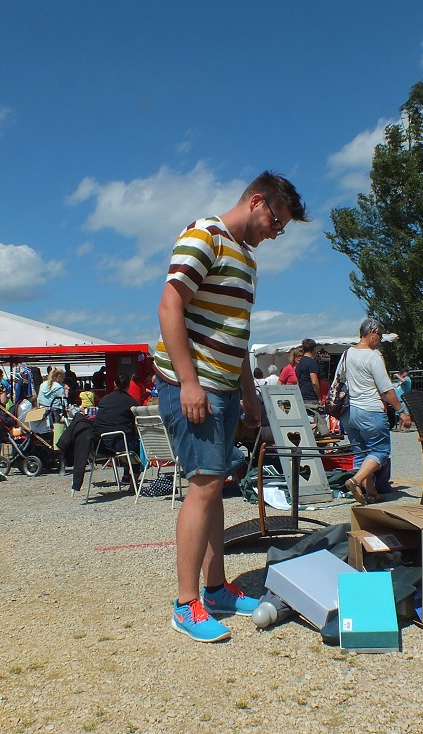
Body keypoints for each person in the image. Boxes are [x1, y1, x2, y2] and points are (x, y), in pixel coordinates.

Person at [155, 170, 308, 643]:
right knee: (201, 488)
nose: (275, 233)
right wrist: (188, 382)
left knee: (215, 487)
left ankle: (216, 588)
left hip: (222, 388)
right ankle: (186, 605)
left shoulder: (246, 259)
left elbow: (236, 334)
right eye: (276, 222)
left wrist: (248, 392)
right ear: (257, 202)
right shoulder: (206, 235)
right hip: (194, 387)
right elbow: (168, 306)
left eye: (281, 228)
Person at [336, 318, 408, 505]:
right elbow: (386, 389)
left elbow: (338, 380)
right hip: (369, 410)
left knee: (361, 452)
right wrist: (401, 411)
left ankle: (370, 492)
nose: (380, 341)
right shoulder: (373, 356)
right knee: (380, 451)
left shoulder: (347, 354)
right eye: (380, 337)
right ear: (373, 333)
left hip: (348, 412)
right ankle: (355, 481)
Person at [94, 373, 141, 463]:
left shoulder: (104, 400)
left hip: (101, 443)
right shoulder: (131, 402)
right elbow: (135, 425)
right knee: (138, 444)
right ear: (128, 385)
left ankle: (127, 473)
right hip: (122, 443)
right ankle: (130, 474)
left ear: (115, 384)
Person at [295, 339, 321, 404]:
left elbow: (297, 381)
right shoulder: (312, 363)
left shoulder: (299, 364)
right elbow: (314, 382)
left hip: (301, 396)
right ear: (314, 349)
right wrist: (319, 398)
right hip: (311, 398)